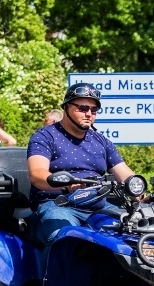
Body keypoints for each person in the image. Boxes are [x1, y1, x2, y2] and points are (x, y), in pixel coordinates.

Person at [27, 83, 136, 248]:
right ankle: (54, 266)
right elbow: (36, 174)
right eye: (83, 108)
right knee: (63, 236)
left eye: (94, 110)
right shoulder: (45, 136)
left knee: (129, 233)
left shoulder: (101, 141)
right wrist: (67, 184)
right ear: (66, 107)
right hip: (57, 205)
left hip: (98, 206)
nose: (89, 114)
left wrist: (140, 191)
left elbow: (126, 175)